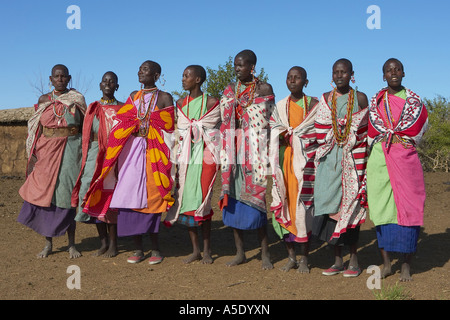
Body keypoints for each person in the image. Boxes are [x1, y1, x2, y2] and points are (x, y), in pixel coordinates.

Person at [83, 60, 176, 264]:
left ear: (157, 75)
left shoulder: (165, 97)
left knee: (152, 197)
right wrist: (132, 127)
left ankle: (156, 249)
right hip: (132, 153)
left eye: (145, 70)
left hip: (154, 153)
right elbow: (122, 121)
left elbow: (170, 127)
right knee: (129, 196)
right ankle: (137, 248)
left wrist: (149, 128)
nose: (140, 72)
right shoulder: (134, 96)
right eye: (139, 69)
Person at [366, 58, 428, 281]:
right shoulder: (375, 101)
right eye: (388, 70)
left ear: (403, 73)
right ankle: (386, 264)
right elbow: (372, 132)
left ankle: (405, 265)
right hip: (379, 161)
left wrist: (402, 142)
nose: (393, 73)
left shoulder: (414, 101)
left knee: (410, 209)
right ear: (383, 76)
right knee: (381, 210)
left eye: (397, 69)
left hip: (406, 159)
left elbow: (419, 129)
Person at [17, 64, 87, 258]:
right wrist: (34, 153)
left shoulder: (77, 99)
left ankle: (72, 243)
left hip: (71, 152)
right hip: (46, 152)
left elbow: (85, 127)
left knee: (68, 196)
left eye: (64, 76)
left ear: (69, 78)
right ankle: (48, 243)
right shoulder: (44, 100)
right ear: (51, 79)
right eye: (57, 77)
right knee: (45, 196)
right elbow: (35, 127)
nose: (60, 79)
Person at [312, 58, 369, 277]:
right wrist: (338, 131)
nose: (339, 76)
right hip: (329, 162)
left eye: (343, 72)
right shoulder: (326, 99)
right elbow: (320, 129)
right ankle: (337, 260)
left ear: (351, 74)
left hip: (354, 162)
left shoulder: (360, 98)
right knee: (330, 209)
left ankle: (354, 260)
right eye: (335, 72)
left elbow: (365, 129)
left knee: (352, 209)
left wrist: (349, 132)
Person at [219, 49, 275, 270]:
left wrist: (244, 111)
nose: (237, 69)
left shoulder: (264, 89)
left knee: (258, 203)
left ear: (252, 66)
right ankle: (240, 252)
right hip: (231, 151)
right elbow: (225, 115)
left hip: (255, 152)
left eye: (241, 65)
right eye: (235, 65)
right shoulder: (230, 89)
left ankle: (265, 253)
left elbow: (267, 119)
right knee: (231, 201)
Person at [164, 65, 220, 264]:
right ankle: (195, 250)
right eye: (183, 75)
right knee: (186, 201)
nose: (183, 79)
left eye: (187, 76)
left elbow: (216, 131)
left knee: (203, 200)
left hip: (206, 157)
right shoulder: (180, 103)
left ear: (198, 80)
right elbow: (178, 131)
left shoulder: (212, 103)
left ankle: (207, 250)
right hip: (185, 159)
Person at [269, 66, 319, 273]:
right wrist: (284, 133)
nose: (292, 81)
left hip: (306, 165)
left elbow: (318, 131)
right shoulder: (280, 106)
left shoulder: (315, 106)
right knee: (285, 206)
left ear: (305, 82)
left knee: (303, 209)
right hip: (284, 163)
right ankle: (291, 257)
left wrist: (298, 136)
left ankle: (305, 258)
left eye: (297, 78)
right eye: (289, 77)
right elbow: (273, 128)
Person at [71, 71, 123, 257]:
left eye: (112, 81)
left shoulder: (124, 109)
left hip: (116, 157)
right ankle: (103, 242)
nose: (108, 83)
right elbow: (86, 135)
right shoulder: (93, 109)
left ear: (117, 86)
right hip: (95, 155)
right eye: (105, 81)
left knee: (111, 199)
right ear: (100, 85)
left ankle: (114, 244)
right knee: (92, 192)